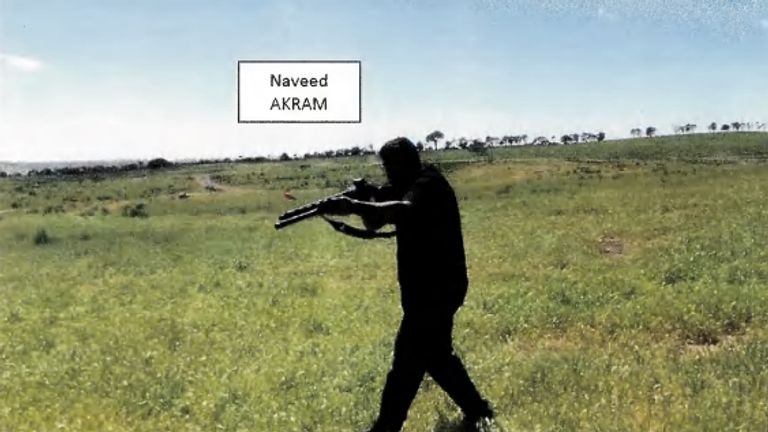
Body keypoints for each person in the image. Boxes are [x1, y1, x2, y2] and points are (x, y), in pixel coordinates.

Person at [319, 137, 495, 432]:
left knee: (407, 362)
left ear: (407, 163)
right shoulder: (404, 186)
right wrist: (365, 198)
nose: (387, 173)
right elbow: (375, 222)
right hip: (424, 290)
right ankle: (478, 411)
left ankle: (386, 428)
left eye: (390, 167)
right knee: (437, 357)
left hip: (438, 290)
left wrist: (354, 205)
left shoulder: (429, 184)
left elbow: (403, 210)